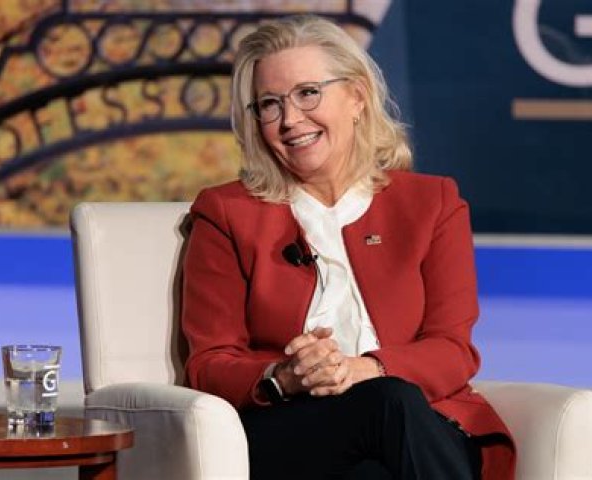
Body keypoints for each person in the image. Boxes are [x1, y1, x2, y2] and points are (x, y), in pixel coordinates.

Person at [181, 15, 515, 480]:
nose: (290, 120)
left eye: (307, 93)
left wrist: (366, 368)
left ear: (357, 96)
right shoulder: (227, 212)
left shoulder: (432, 203)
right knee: (386, 405)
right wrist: (286, 375)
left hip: (417, 424)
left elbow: (454, 351)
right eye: (270, 104)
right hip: (292, 430)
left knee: (383, 431)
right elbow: (209, 364)